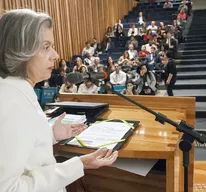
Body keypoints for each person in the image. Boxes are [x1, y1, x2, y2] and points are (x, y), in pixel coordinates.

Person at [0, 9, 118, 192]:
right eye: (46, 47)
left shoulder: (16, 90)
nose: (55, 55)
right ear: (20, 50)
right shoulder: (12, 103)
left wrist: (51, 135)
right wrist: (78, 165)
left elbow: (22, 149)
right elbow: (9, 188)